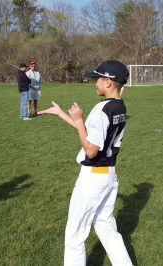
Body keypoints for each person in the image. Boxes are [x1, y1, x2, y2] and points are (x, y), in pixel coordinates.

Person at [38, 60, 133, 265]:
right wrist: (62, 114)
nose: (95, 82)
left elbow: (91, 149)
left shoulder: (102, 109)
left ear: (108, 82)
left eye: (97, 78)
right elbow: (92, 137)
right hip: (108, 175)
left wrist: (80, 120)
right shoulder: (119, 106)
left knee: (74, 236)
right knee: (107, 230)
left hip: (93, 178)